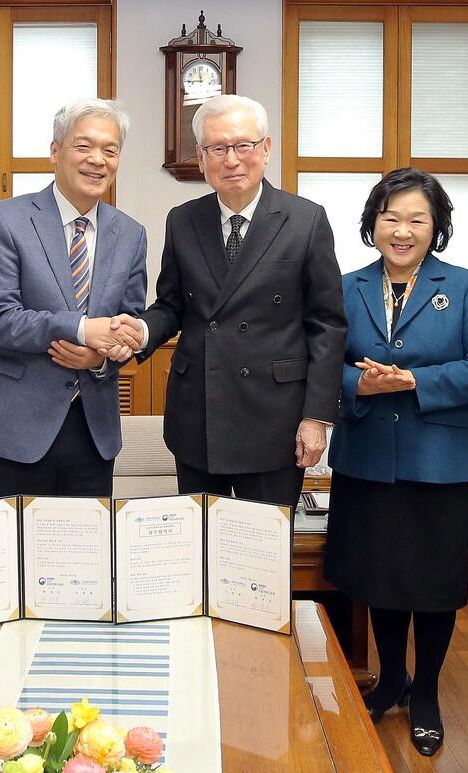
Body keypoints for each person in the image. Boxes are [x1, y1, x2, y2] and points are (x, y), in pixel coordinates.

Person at [323, 168, 468, 756]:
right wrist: (360, 384)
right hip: (367, 457)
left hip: (440, 460)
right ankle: (390, 679)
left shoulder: (467, 286)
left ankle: (425, 691)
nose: (402, 231)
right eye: (390, 217)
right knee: (380, 577)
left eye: (416, 219)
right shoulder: (345, 287)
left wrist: (412, 381)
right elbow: (321, 365)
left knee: (432, 583)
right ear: (372, 224)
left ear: (437, 227)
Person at [134, 94, 346, 508]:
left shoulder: (305, 219)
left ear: (265, 149)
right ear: (200, 157)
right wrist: (140, 330)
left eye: (242, 145)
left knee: (261, 555)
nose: (231, 159)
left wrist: (316, 417)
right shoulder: (182, 220)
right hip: (199, 414)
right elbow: (171, 306)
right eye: (218, 148)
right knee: (198, 548)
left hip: (275, 417)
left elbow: (327, 324)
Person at [0, 99, 147, 498]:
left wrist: (101, 356)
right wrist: (81, 329)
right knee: (15, 555)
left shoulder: (130, 233)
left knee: (84, 555)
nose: (98, 160)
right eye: (84, 146)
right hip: (14, 427)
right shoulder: (4, 220)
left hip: (93, 429)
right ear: (55, 151)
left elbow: (130, 321)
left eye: (110, 150)